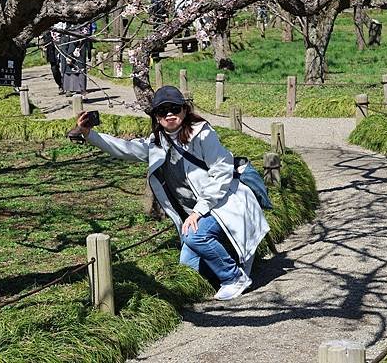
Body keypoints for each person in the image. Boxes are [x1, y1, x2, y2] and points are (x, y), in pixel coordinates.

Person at [75, 86, 270, 300]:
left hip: (225, 202)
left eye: (174, 109)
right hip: (204, 211)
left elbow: (221, 172)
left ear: (185, 110)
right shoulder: (158, 142)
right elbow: (126, 148)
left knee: (194, 235)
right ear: (156, 117)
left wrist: (197, 212)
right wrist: (89, 134)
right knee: (189, 266)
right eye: (162, 111)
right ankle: (227, 262)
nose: (169, 114)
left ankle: (234, 278)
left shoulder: (202, 134)